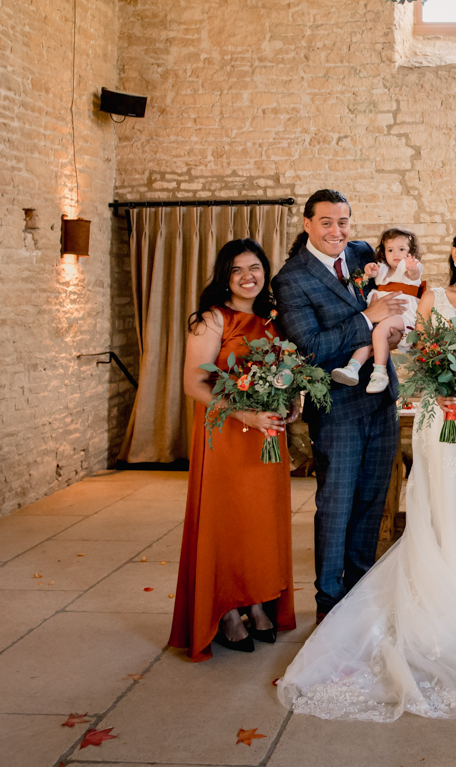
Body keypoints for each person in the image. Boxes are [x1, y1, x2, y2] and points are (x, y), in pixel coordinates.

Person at [277, 221, 456, 721]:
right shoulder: (431, 298)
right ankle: (439, 603)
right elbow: (411, 350)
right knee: (440, 509)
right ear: (453, 251)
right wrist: (434, 381)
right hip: (439, 417)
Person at [272, 189, 407, 621]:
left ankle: (361, 589)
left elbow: (385, 302)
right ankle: (329, 602)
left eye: (343, 221)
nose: (336, 230)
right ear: (308, 224)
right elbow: (310, 348)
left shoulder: (362, 253)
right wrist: (367, 321)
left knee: (373, 500)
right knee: (336, 505)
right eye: (326, 222)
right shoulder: (291, 279)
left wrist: (389, 331)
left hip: (381, 400)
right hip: (336, 409)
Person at [168, 239, 296, 660]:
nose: (248, 276)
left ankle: (256, 601)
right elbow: (194, 384)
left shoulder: (273, 319)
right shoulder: (212, 319)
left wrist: (291, 401)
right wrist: (245, 416)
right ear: (224, 275)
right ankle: (224, 610)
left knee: (260, 523)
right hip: (228, 434)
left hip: (267, 438)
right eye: (238, 269)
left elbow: (286, 372)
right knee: (229, 522)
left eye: (255, 267)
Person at [331, 227, 424, 393]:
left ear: (411, 252)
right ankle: (353, 367)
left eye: (402, 249)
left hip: (403, 313)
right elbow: (373, 272)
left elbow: (415, 274)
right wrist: (370, 270)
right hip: (384, 314)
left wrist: (412, 267)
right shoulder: (384, 269)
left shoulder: (407, 268)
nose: (396, 254)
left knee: (379, 331)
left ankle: (380, 373)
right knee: (367, 335)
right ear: (383, 252)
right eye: (390, 249)